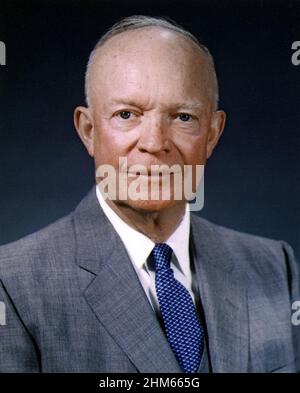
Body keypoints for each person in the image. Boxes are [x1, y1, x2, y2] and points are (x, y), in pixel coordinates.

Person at [0, 15, 299, 373]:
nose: (155, 143)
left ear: (213, 134)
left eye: (183, 117)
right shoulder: (13, 284)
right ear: (88, 130)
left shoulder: (274, 266)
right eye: (127, 114)